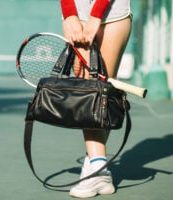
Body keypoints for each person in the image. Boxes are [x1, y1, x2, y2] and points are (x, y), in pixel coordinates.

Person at [60, 0, 132, 198]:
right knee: (88, 92)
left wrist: (95, 16)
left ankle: (96, 168)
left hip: (114, 13)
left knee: (102, 93)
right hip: (78, 12)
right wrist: (69, 14)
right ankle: (97, 166)